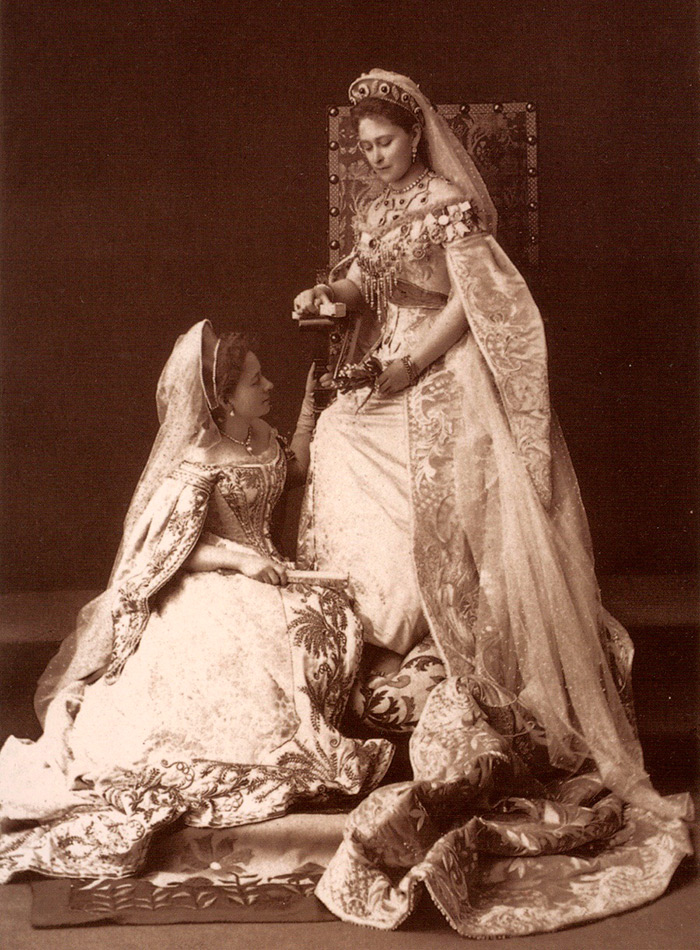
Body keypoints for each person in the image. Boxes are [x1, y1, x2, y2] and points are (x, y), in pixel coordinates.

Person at [293, 69, 692, 937]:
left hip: (444, 367)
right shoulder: (375, 207)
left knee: (441, 479)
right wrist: (334, 297)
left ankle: (440, 625)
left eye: (386, 143)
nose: (375, 158)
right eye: (363, 148)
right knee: (335, 437)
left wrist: (409, 364)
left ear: (416, 135)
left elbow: (473, 307)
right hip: (389, 364)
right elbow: (365, 279)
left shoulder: (449, 205)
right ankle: (382, 623)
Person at [0, 320, 393, 881]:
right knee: (240, 674)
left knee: (328, 623)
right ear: (224, 399)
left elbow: (295, 468)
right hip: (215, 582)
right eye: (255, 381)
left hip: (275, 576)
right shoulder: (201, 458)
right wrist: (240, 561)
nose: (269, 386)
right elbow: (172, 545)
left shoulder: (260, 434)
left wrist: (311, 408)